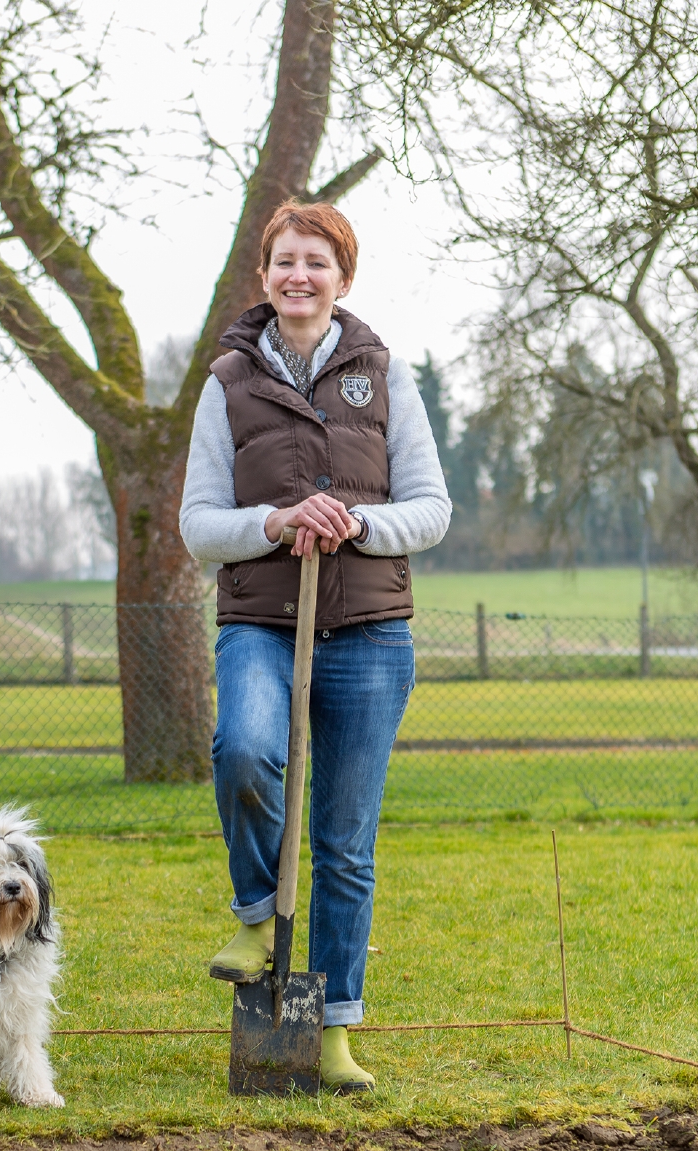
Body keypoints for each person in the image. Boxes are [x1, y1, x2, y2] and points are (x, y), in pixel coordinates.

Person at [179, 200, 451, 1092]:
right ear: (263, 278)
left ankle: (331, 1033)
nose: (299, 276)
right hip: (261, 621)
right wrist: (277, 518)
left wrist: (351, 522)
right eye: (284, 262)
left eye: (317, 263)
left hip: (369, 634)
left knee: (342, 842)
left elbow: (432, 509)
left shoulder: (384, 375)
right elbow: (197, 527)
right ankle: (257, 914)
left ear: (342, 278)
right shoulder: (224, 383)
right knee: (246, 750)